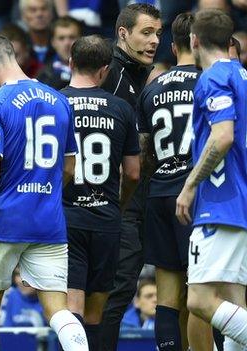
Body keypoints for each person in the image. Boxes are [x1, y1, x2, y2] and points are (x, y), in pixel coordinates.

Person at [0, 33, 88, 351]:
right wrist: (44, 194)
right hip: (48, 221)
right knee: (59, 310)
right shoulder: (60, 100)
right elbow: (70, 167)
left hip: (4, 219)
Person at [137, 13, 212, 351]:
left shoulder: (151, 89)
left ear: (172, 44)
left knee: (167, 296)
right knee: (202, 292)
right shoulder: (210, 82)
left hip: (159, 192)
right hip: (195, 194)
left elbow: (144, 151)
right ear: (199, 42)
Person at [60, 35, 141, 351]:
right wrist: (117, 205)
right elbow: (133, 173)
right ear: (105, 70)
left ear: (70, 62)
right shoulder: (121, 108)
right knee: (95, 316)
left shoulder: (55, 102)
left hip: (66, 219)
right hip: (106, 218)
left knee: (72, 310)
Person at [175, 9, 247, 350]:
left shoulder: (212, 77)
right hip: (242, 203)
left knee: (200, 301)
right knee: (234, 303)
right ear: (231, 42)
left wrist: (189, 185)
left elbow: (222, 137)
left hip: (219, 204)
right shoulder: (243, 76)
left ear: (194, 41)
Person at [99, 5, 161, 350]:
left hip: (130, 201)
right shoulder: (114, 76)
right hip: (116, 202)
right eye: (146, 33)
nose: (154, 41)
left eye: (158, 34)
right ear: (123, 34)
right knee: (114, 292)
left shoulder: (136, 76)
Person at [37, 16, 82, 90]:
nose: (67, 43)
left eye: (72, 37)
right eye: (61, 38)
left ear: (81, 40)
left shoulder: (94, 70)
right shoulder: (44, 74)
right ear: (53, 43)